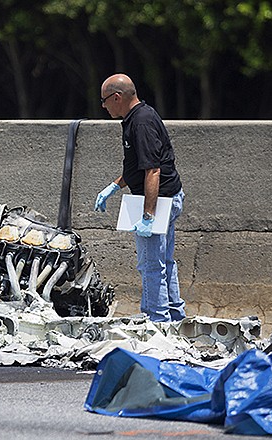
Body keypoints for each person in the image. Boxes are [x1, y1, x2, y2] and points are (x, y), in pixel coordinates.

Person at [94, 73, 186, 322]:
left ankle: (157, 322)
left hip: (159, 201)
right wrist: (114, 186)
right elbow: (137, 166)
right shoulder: (139, 116)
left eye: (104, 101)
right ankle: (176, 317)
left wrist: (148, 216)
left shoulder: (141, 122)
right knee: (165, 262)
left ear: (117, 97)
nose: (103, 106)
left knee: (151, 266)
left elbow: (152, 170)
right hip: (167, 197)